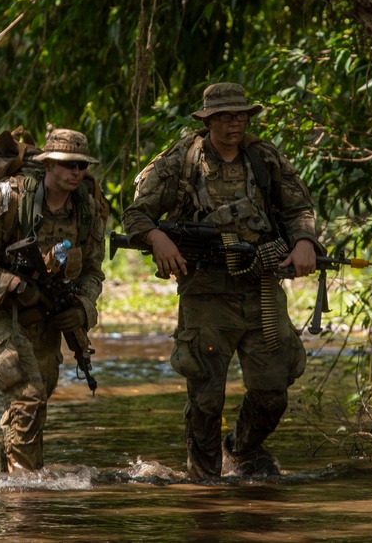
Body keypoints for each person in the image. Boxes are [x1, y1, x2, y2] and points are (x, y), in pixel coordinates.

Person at [121, 82, 321, 480]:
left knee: (273, 389)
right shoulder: (182, 159)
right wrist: (158, 238)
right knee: (206, 396)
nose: (236, 122)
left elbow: (299, 207)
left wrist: (304, 242)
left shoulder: (264, 157)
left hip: (261, 288)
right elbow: (135, 216)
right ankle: (205, 482)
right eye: (227, 116)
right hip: (206, 293)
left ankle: (240, 451)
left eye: (242, 114)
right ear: (208, 120)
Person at [0, 127, 106, 472]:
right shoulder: (7, 199)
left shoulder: (86, 209)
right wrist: (13, 284)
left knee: (38, 398)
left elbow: (93, 272)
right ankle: (25, 493)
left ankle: (15, 486)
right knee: (27, 393)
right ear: (48, 164)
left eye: (81, 165)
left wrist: (82, 310)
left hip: (45, 310)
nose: (76, 172)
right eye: (68, 164)